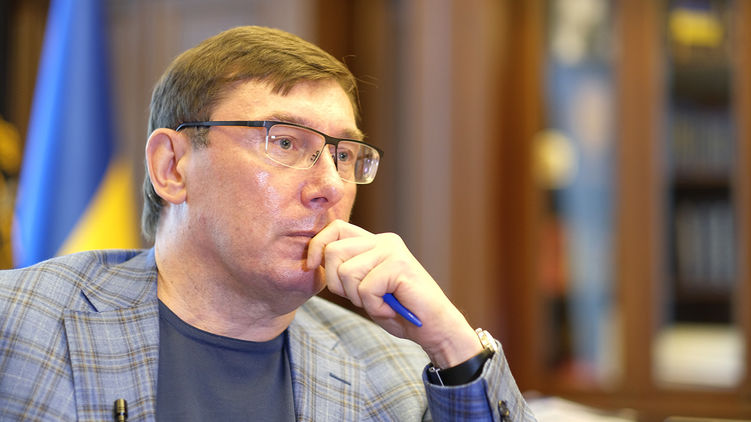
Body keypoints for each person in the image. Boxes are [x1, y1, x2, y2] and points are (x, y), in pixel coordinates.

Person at [0, 26, 536, 421]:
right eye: (284, 142)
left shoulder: (398, 376)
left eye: (344, 154)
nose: (330, 185)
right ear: (173, 167)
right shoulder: (19, 327)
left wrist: (455, 347)